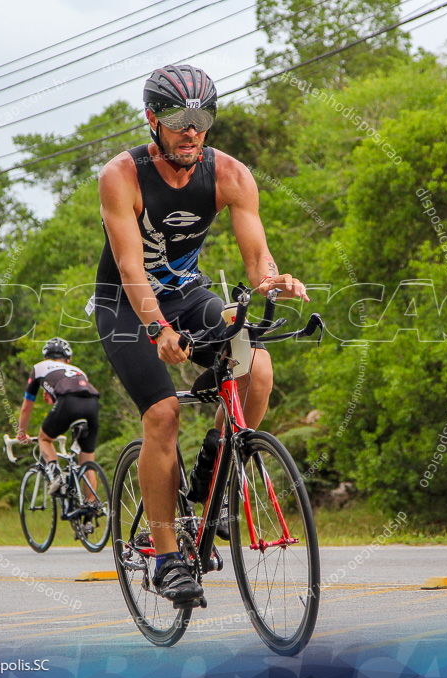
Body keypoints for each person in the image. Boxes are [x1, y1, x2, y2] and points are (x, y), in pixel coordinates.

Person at [94, 64, 309, 608]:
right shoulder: (121, 176)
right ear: (152, 120)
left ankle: (213, 477)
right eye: (178, 118)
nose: (192, 129)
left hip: (187, 294)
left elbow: (256, 255)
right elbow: (128, 267)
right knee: (163, 413)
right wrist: (157, 328)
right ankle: (167, 557)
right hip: (126, 304)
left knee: (256, 369)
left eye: (203, 117)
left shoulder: (232, 175)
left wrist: (273, 280)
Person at [16, 337, 101, 504]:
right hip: (92, 403)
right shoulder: (78, 370)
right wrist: (55, 400)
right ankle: (91, 508)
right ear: (68, 360)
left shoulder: (39, 368)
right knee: (87, 461)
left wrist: (21, 433)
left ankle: (56, 476)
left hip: (68, 402)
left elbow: (27, 407)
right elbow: (75, 396)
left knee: (44, 438)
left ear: (46, 358)